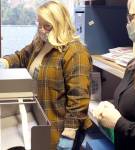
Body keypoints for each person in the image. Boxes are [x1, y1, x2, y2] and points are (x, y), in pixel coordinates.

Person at [0, 0, 92, 149]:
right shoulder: (41, 42)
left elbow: (79, 100)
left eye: (47, 26)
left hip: (62, 128)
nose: (41, 30)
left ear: (60, 24)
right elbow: (21, 56)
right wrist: (4, 62)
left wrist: (69, 134)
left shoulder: (75, 52)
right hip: (41, 118)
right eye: (39, 25)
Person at [92, 0, 135, 150]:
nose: (128, 22)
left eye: (131, 16)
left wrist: (118, 123)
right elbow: (132, 106)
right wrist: (111, 105)